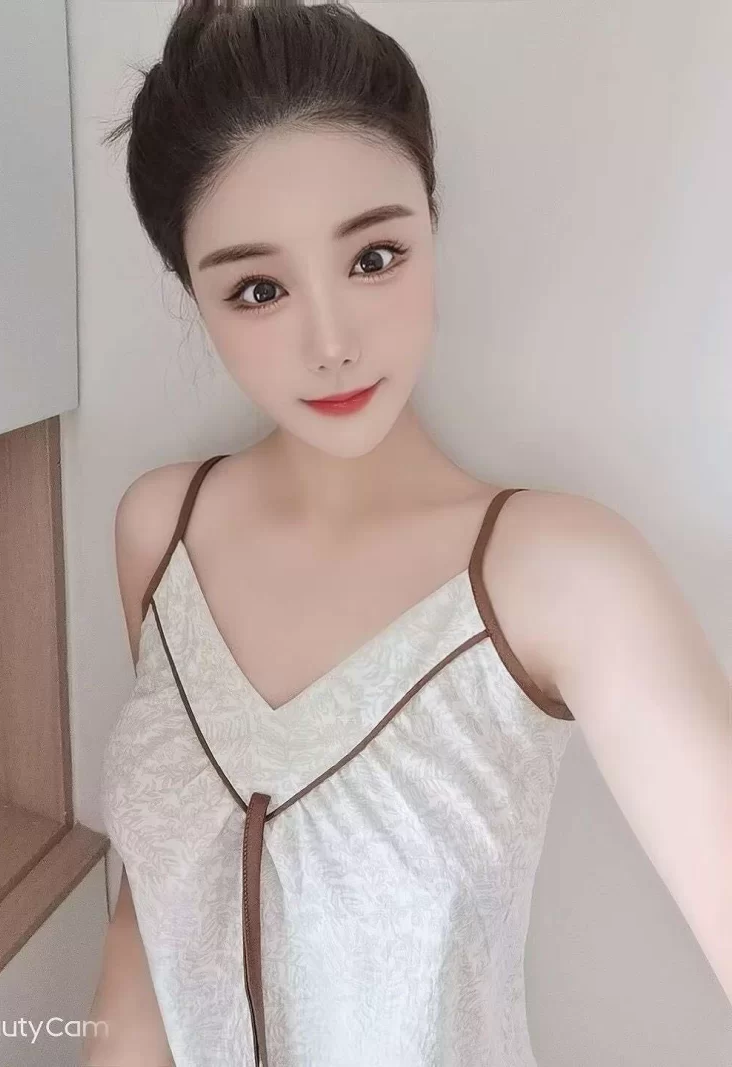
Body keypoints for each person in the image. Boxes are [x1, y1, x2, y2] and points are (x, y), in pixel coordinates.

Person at [83, 1, 731, 1064]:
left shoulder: (559, 578)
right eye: (258, 288)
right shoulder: (159, 534)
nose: (331, 340)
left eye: (374, 257)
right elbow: (149, 917)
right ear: (194, 297)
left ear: (431, 225)